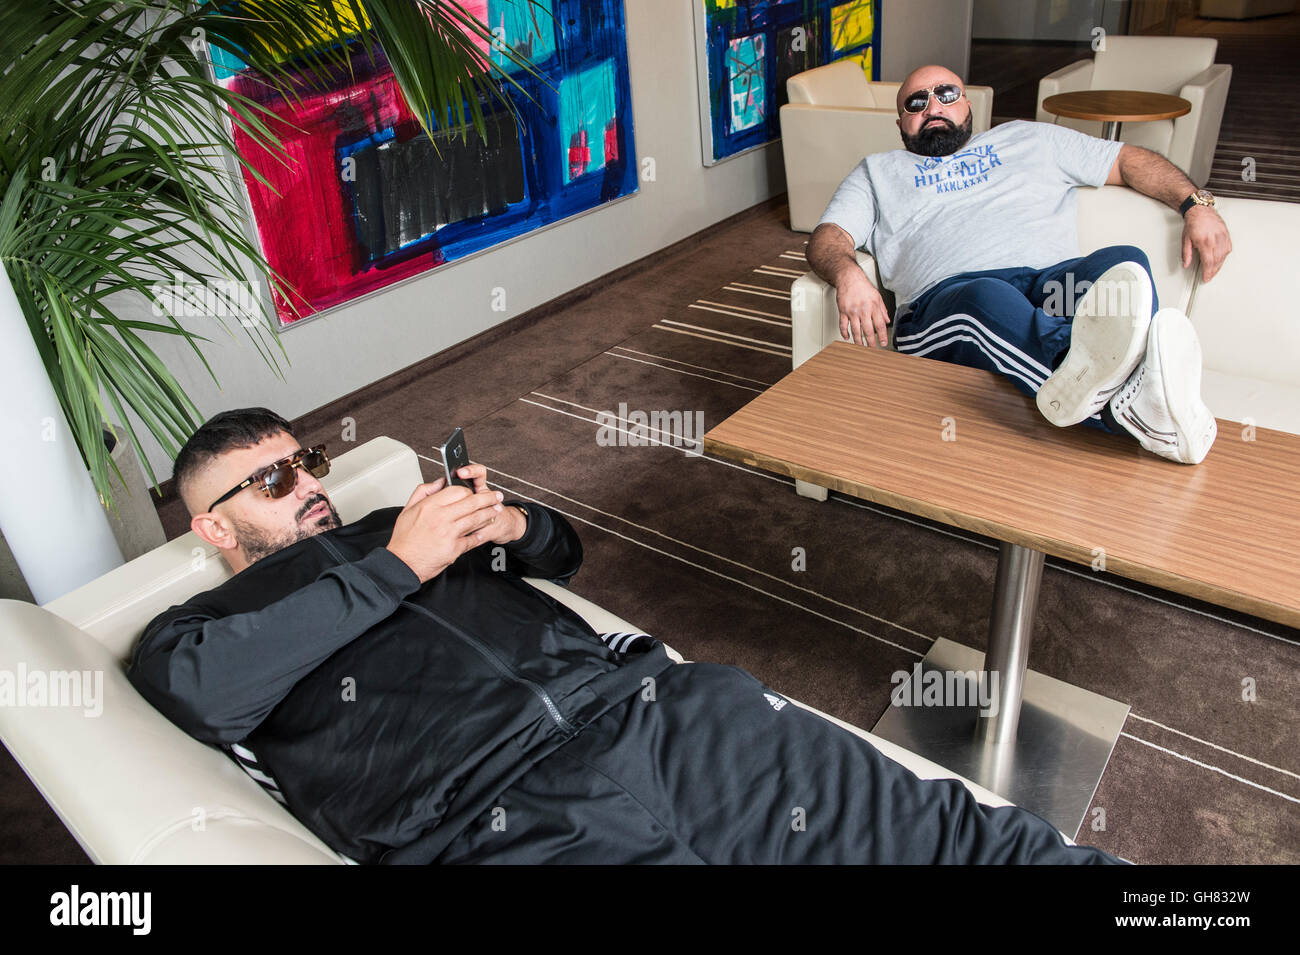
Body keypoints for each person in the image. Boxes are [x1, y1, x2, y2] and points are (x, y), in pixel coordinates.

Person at [128, 408, 1122, 865]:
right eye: (273, 481)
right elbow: (209, 696)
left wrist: (513, 526)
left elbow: (563, 556)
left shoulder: (398, 522)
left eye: (306, 461)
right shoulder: (192, 630)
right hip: (493, 821)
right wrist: (400, 565)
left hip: (660, 714)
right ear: (213, 526)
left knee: (943, 836)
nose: (309, 486)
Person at [807, 64, 1233, 465]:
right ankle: (1124, 411)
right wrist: (848, 273)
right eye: (916, 103)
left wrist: (1196, 204)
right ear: (901, 123)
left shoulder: (1030, 139)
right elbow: (829, 236)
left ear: (968, 105)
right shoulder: (878, 173)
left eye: (946, 94)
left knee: (1125, 263)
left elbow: (1127, 159)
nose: (933, 106)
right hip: (946, 304)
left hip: (1050, 287)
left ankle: (1133, 388)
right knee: (986, 297)